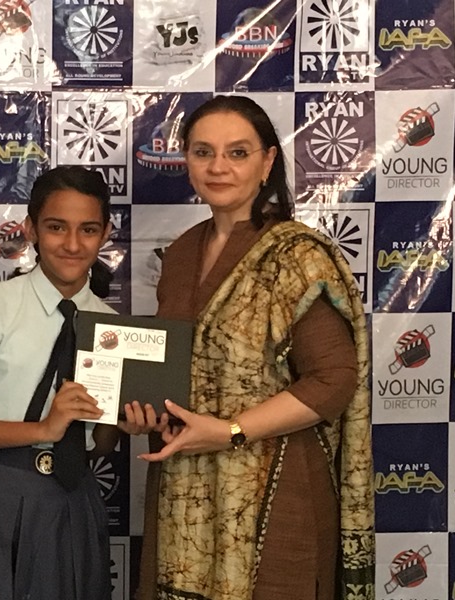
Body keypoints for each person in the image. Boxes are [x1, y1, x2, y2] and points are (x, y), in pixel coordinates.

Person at [133, 96, 375, 600]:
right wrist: (146, 412)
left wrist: (230, 431)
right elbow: (177, 367)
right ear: (186, 160)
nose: (218, 167)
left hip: (275, 488)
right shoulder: (181, 253)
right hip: (186, 488)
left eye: (237, 153)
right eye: (203, 152)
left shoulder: (297, 255)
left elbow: (334, 380)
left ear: (267, 163)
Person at [0, 165, 155, 600]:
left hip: (73, 498)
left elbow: (99, 445)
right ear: (30, 229)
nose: (72, 244)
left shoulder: (112, 326)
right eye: (56, 227)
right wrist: (43, 429)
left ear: (106, 234)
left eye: (88, 229)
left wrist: (123, 423)